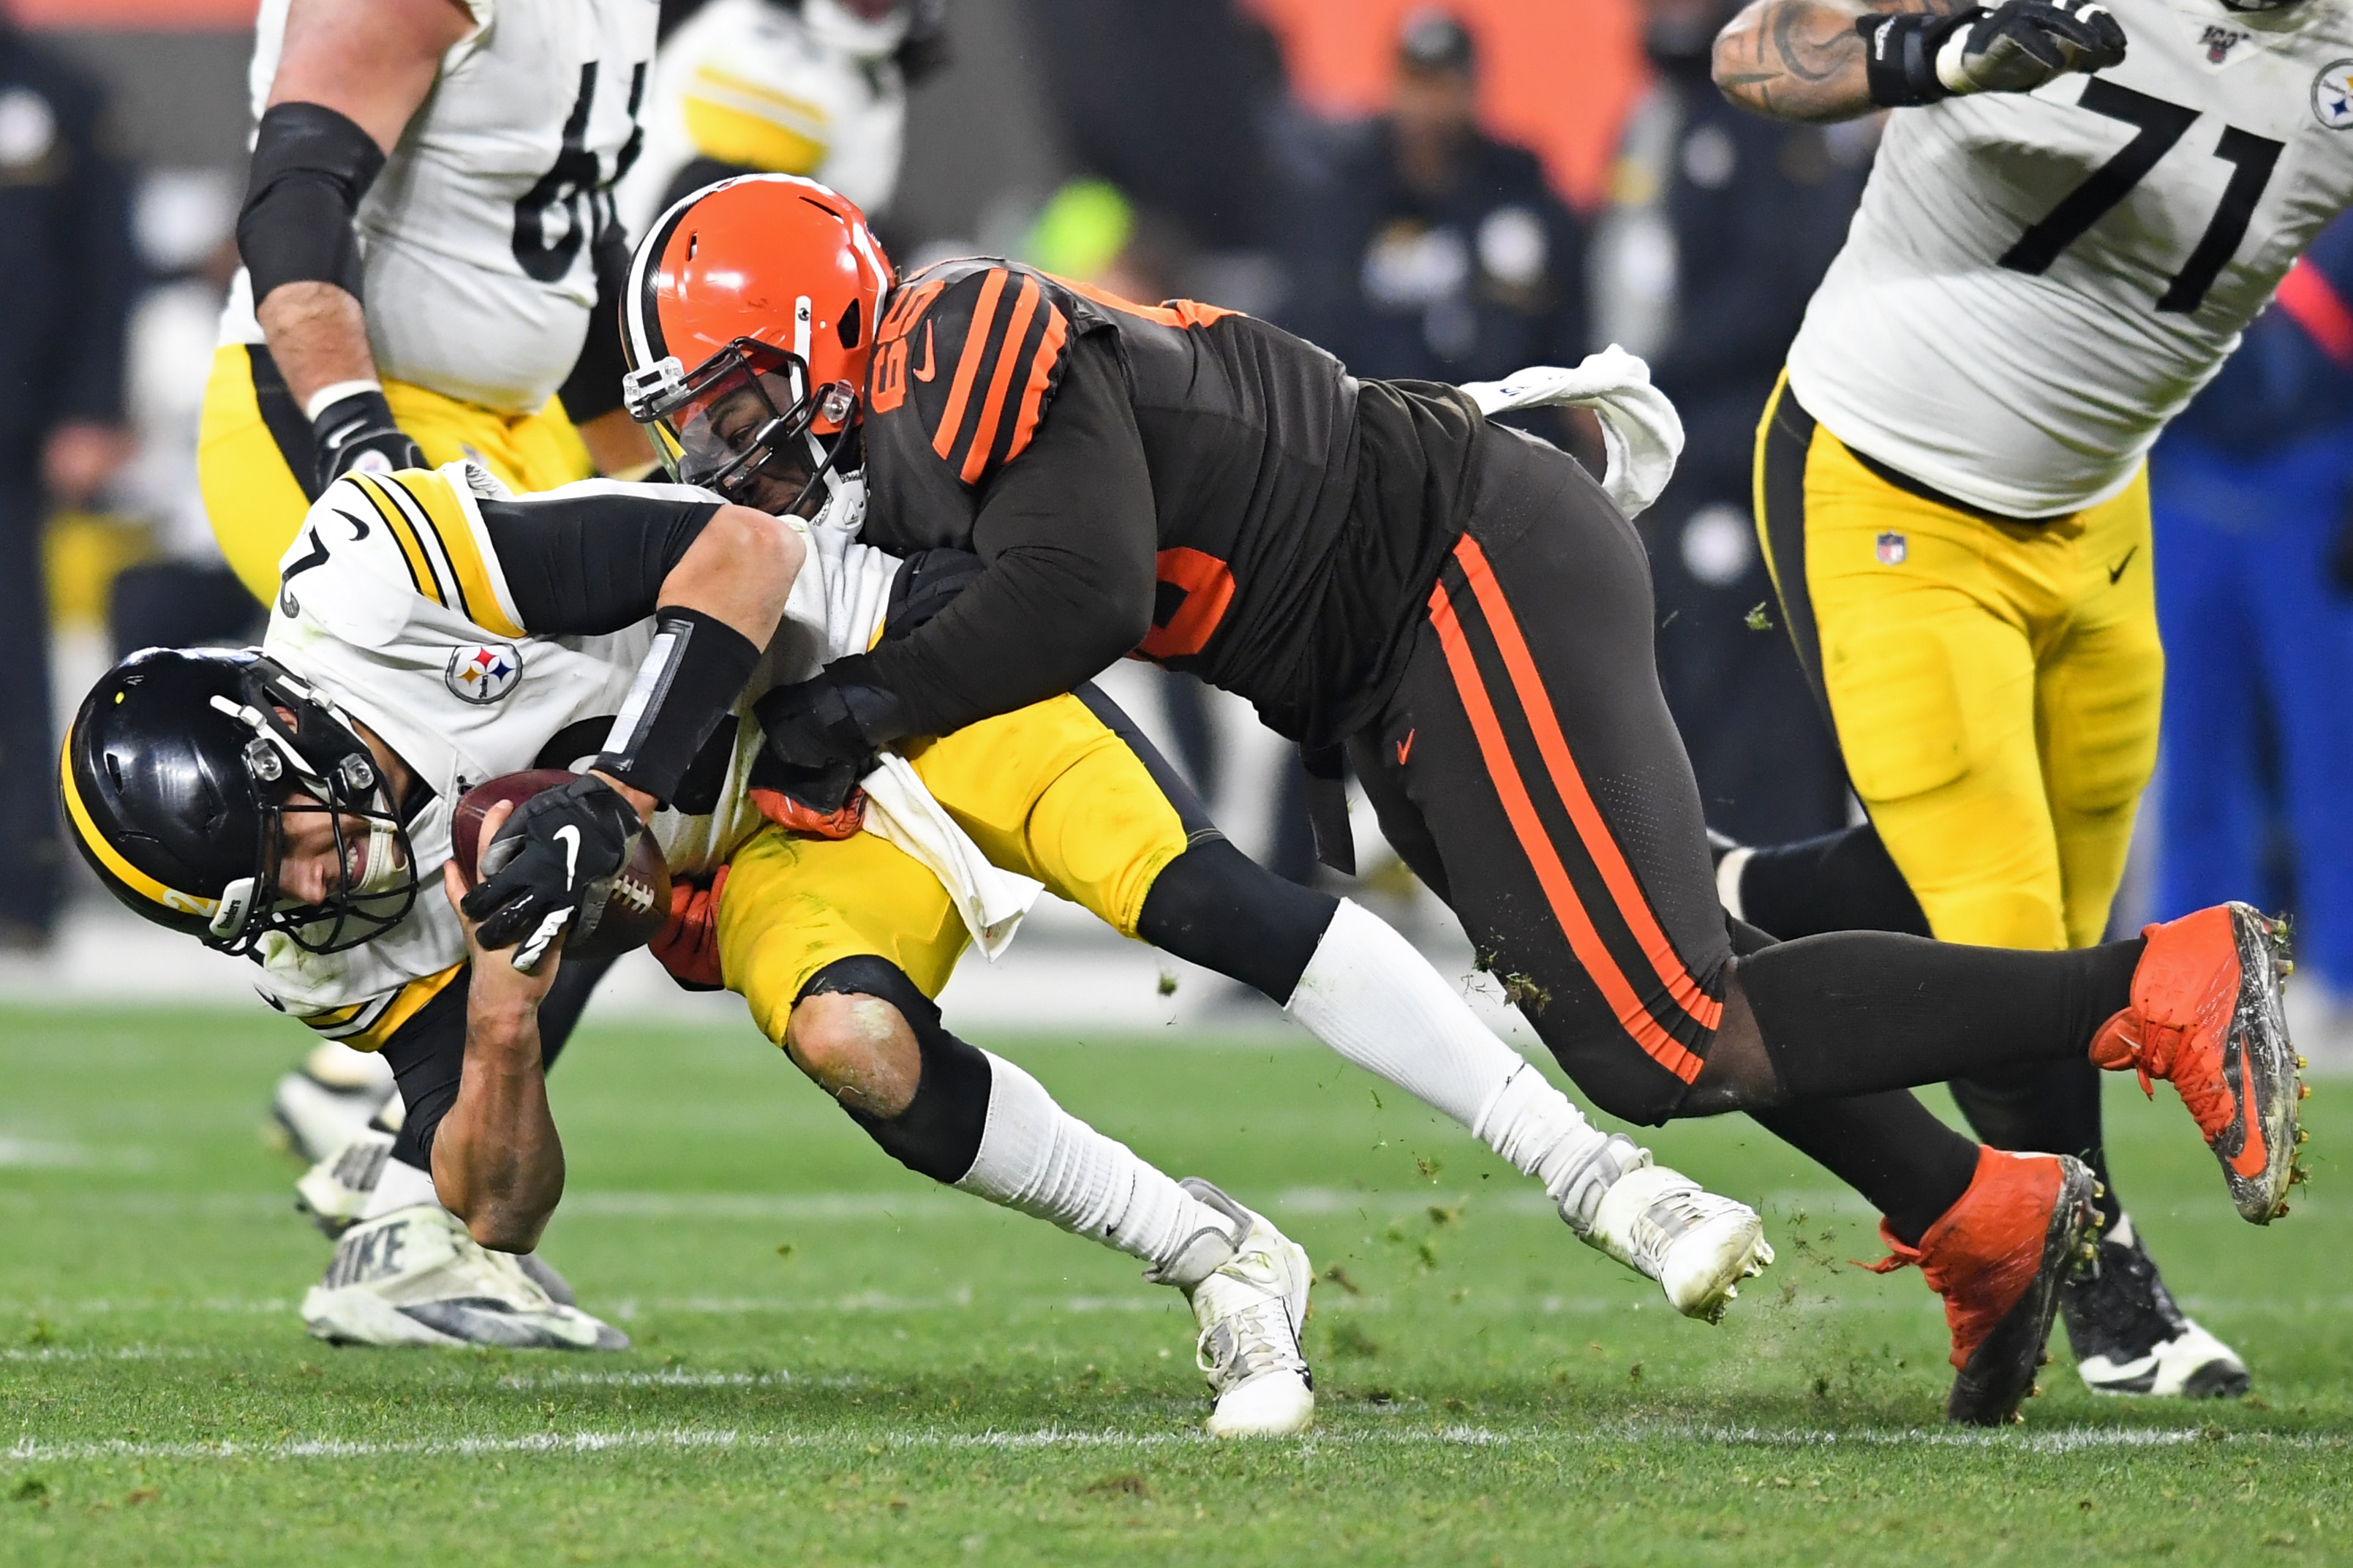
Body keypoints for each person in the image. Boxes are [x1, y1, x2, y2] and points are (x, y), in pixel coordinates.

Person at [628, 171, 2305, 1425]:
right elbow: (1205, 509)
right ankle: (1971, 1214)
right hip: (1386, 641)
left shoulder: (958, 337)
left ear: (826, 330)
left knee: (1658, 1031)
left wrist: (847, 712)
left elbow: (1080, 591)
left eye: (736, 403)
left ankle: (2151, 991)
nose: (732, 452)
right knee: (1621, 1021)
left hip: (1456, 570)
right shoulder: (914, 443)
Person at [62, 448, 1774, 1418]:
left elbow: (735, 554)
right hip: (743, 848)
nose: (309, 883)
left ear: (276, 723)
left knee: (1191, 897)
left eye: (285, 838)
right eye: (263, 899)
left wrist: (611, 787)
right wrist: (506, 1023)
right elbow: (490, 1203)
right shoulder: (325, 943)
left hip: (874, 670)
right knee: (854, 1045)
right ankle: (1221, 1260)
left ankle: (1601, 1176)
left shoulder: (381, 588)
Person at [1713, 0, 2353, 1397]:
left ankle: (1736, 891)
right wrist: (1926, 55)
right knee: (2003, 941)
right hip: (1887, 482)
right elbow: (1756, 48)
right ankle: (2106, 1288)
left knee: (2053, 908)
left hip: (2097, 506)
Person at [197, 0, 663, 1164]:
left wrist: (653, 470)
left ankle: (388, 1155)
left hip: (511, 428)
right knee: (555, 795)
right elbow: (294, 195)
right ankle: (400, 1180)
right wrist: (358, 436)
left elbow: (569, 219)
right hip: (348, 415)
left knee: (633, 792)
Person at [1590, 0, 1865, 843]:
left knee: (1755, 700)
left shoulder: (1766, 124)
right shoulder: (1645, 122)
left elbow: (1782, 284)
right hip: (1655, 455)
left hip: (1732, 454)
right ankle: (1683, 906)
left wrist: (1639, 375)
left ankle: (1764, 919)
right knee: (1671, 689)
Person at [2154, 219, 2353, 1011]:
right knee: (2189, 754)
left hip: (2314, 491)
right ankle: (2192, 984)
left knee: (2330, 754)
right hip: (2188, 485)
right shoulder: (2192, 171)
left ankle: (2340, 974)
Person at [0, 20, 136, 951]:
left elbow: (103, 261)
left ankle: (20, 883)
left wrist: (92, 406)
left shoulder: (57, 91)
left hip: (15, 419)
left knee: (12, 655)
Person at [1288, 11, 1587, 398]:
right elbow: (1318, 314)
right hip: (1380, 420)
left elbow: (1563, 312)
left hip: (1502, 418)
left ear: (1473, 89)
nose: (1428, 106)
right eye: (1416, 84)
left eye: (1444, 86)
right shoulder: (1352, 192)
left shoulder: (1517, 190)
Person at [614, 0, 944, 239]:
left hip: (763, 273)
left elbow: (852, 219)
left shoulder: (874, 92)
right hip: (640, 238)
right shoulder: (731, 21)